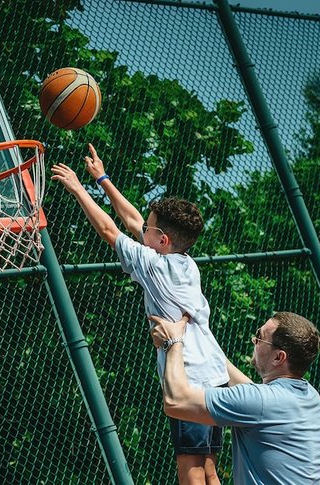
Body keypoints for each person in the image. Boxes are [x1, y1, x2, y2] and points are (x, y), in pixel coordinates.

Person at [51, 144, 230, 485]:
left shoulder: (152, 264)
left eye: (149, 230)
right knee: (208, 466)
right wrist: (102, 179)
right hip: (214, 374)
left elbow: (110, 230)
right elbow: (134, 220)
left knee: (190, 468)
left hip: (188, 376)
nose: (141, 230)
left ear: (161, 240)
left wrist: (78, 188)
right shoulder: (186, 263)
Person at [149, 311, 320, 484]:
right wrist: (200, 330)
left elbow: (175, 402)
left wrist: (173, 342)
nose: (253, 340)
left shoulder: (261, 402)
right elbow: (245, 387)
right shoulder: (310, 397)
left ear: (278, 357)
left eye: (260, 337)